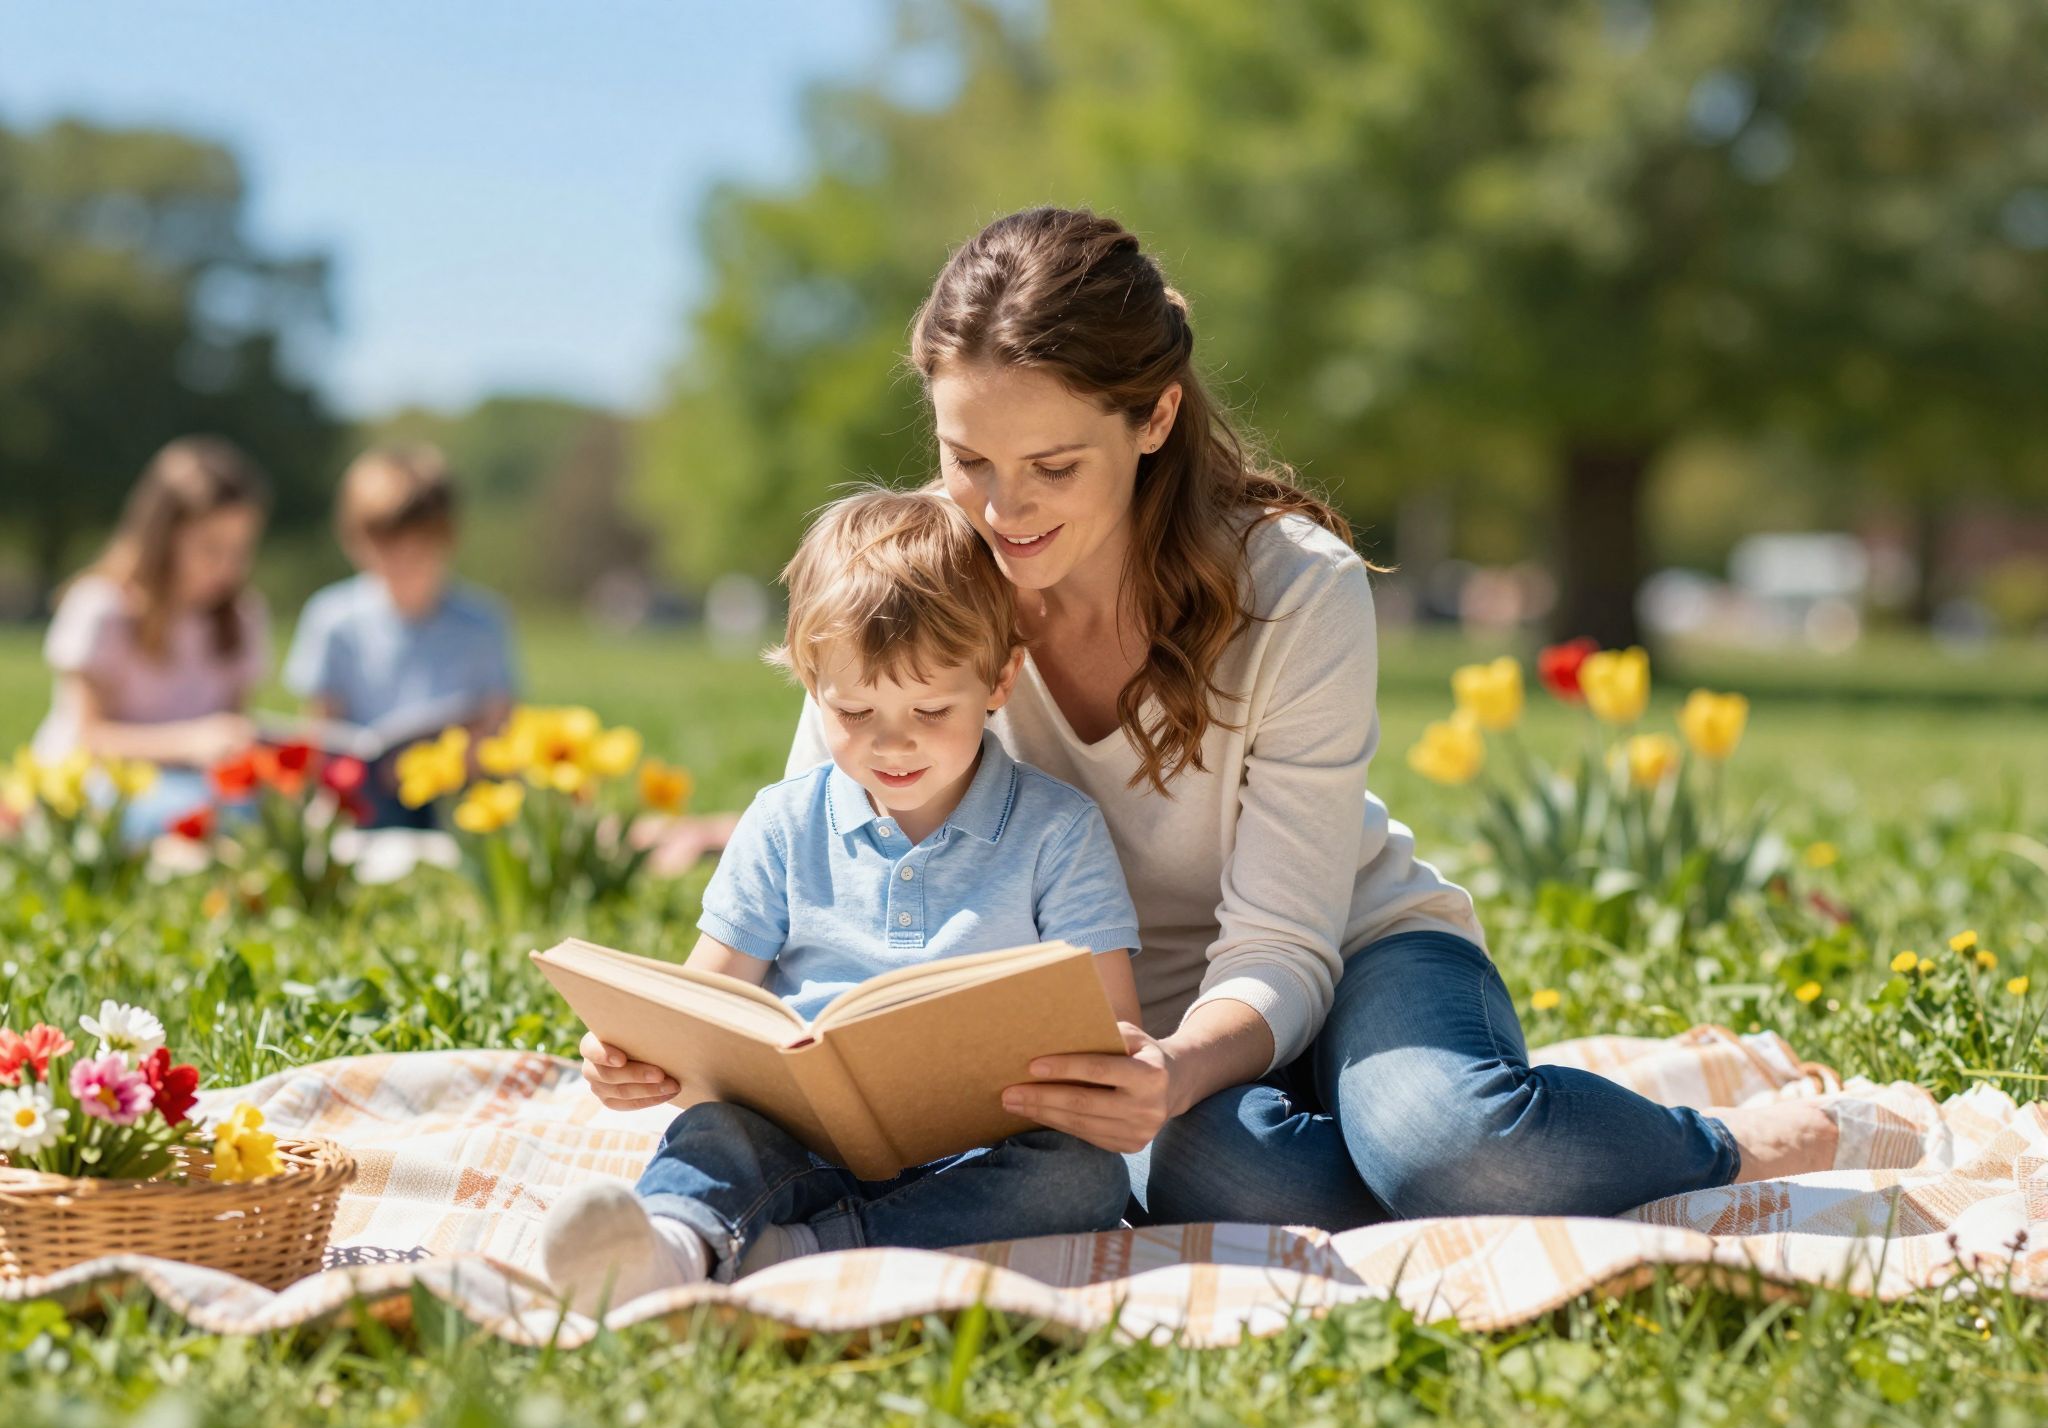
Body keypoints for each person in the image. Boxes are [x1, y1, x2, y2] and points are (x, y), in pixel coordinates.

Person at [585, 207, 1841, 1238]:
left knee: (1440, 1143)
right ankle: (1364, 1146)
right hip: (1116, 1044)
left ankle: (1707, 1140)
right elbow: (834, 826)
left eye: (1053, 467)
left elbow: (1284, 942)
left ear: (1152, 418)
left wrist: (1173, 1072)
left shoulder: (1294, 588)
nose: (999, 512)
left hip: (1341, 954)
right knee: (1221, 1182)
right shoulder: (926, 574)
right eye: (967, 458)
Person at [543, 488, 1141, 1305]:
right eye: (854, 710)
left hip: (978, 1146)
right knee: (715, 1134)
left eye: (932, 709)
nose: (893, 743)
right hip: (799, 1130)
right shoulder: (784, 823)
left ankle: (809, 1249)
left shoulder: (1058, 831)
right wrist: (635, 1059)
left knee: (1083, 1179)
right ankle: (669, 1246)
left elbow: (1110, 1029)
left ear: (1001, 679)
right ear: (809, 681)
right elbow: (707, 999)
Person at [31, 437, 271, 838]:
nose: (227, 566)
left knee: (266, 812)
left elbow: (232, 725)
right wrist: (190, 743)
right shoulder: (102, 607)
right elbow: (88, 738)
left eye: (240, 549)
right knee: (187, 816)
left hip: (194, 785)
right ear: (162, 537)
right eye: (211, 548)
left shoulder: (241, 616)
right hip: (97, 783)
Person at [283, 444, 517, 827]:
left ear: (447, 537)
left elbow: (499, 729)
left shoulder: (484, 623)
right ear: (354, 540)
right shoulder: (332, 618)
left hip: (458, 795)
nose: (403, 559)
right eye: (386, 545)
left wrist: (429, 768)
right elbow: (320, 731)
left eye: (418, 547)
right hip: (366, 799)